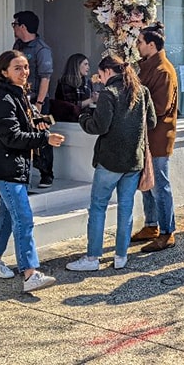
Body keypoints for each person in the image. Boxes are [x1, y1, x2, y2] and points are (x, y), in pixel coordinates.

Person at [0, 50, 65, 292]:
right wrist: (44, 138)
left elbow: (19, 127)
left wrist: (40, 124)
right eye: (18, 68)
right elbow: (11, 136)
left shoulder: (18, 95)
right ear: (4, 72)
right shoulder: (3, 99)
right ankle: (30, 273)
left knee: (7, 215)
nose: (24, 72)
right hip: (7, 167)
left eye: (26, 67)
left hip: (15, 166)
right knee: (23, 219)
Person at [66, 55, 156, 272]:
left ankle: (93, 258)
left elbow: (99, 126)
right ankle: (121, 255)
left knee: (98, 207)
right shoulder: (142, 91)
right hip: (134, 160)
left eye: (101, 73)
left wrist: (83, 118)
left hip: (110, 160)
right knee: (126, 209)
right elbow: (151, 122)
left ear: (108, 71)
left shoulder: (109, 94)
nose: (101, 78)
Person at [131, 23, 180, 253]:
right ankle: (151, 225)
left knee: (160, 184)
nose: (137, 46)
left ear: (151, 45)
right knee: (147, 183)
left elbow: (159, 107)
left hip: (159, 135)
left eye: (140, 42)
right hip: (146, 135)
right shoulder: (148, 67)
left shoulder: (163, 70)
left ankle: (167, 231)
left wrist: (133, 103)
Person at [12, 11, 55, 187]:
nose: (13, 28)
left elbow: (46, 78)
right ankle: (22, 171)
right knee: (21, 134)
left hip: (38, 100)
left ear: (22, 26)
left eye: (14, 24)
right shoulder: (18, 45)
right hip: (20, 98)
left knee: (42, 135)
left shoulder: (41, 49)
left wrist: (39, 103)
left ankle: (47, 174)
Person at [52, 53, 97, 122]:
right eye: (85, 64)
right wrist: (91, 100)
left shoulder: (88, 82)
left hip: (85, 119)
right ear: (77, 65)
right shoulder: (65, 82)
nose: (88, 67)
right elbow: (70, 106)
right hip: (68, 121)